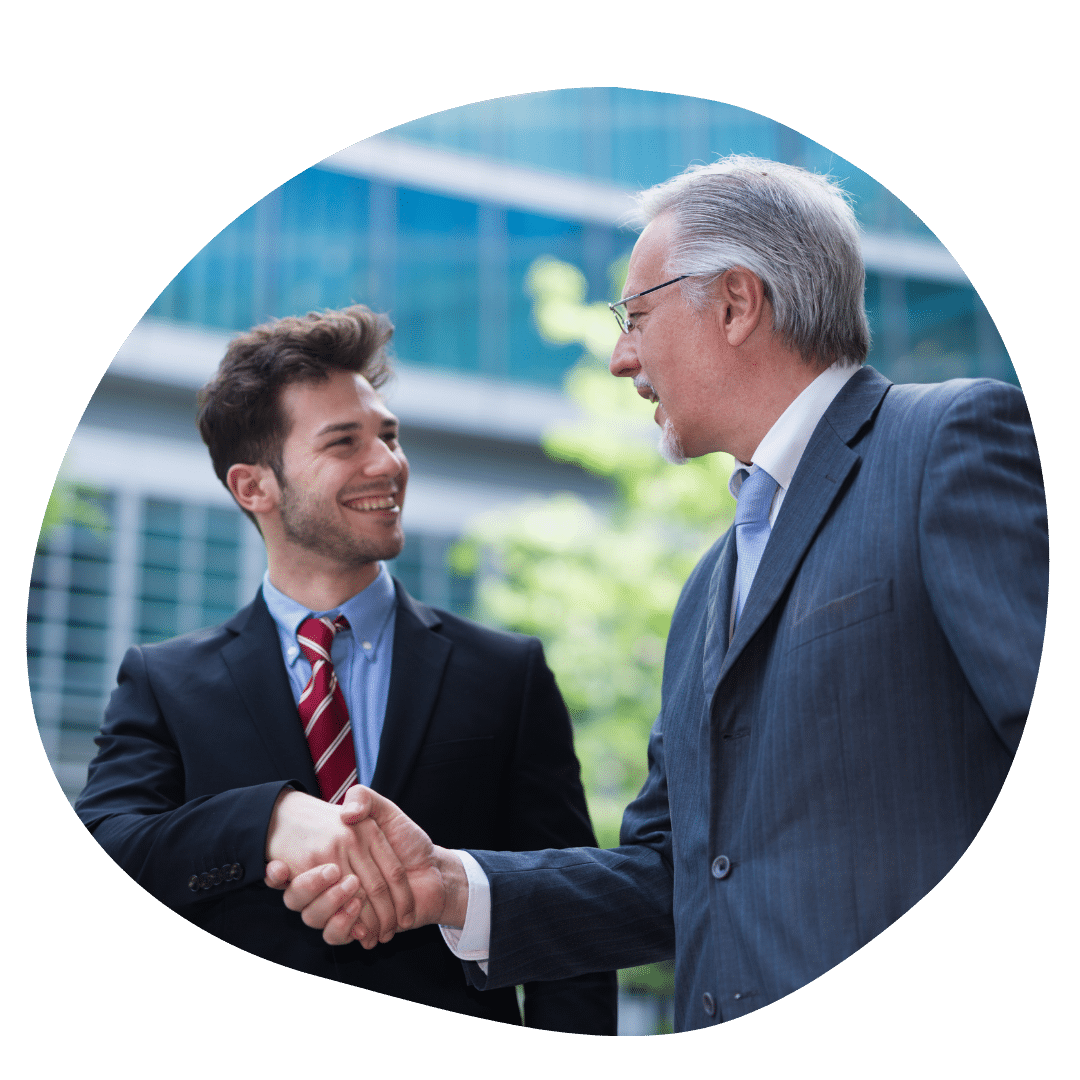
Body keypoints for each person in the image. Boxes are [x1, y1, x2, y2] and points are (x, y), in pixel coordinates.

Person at [275, 157, 1050, 1033]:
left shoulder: (945, 442)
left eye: (636, 317)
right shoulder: (707, 589)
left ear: (736, 303)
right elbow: (671, 873)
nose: (621, 359)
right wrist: (451, 885)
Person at [74, 305, 617, 1033]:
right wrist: (268, 820)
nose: (388, 464)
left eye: (388, 435)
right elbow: (105, 851)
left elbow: (571, 915)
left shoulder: (506, 674)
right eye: (344, 442)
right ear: (254, 487)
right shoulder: (163, 683)